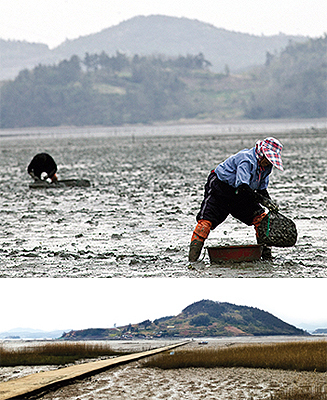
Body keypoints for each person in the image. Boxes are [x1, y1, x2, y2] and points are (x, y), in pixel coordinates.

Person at [189, 137, 284, 262]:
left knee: (261, 219)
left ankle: (266, 257)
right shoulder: (246, 159)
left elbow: (261, 190)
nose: (269, 162)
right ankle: (192, 260)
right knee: (205, 223)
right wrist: (263, 200)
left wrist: (269, 203)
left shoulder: (266, 168)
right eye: (268, 159)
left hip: (241, 194)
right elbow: (243, 186)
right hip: (221, 189)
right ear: (262, 154)